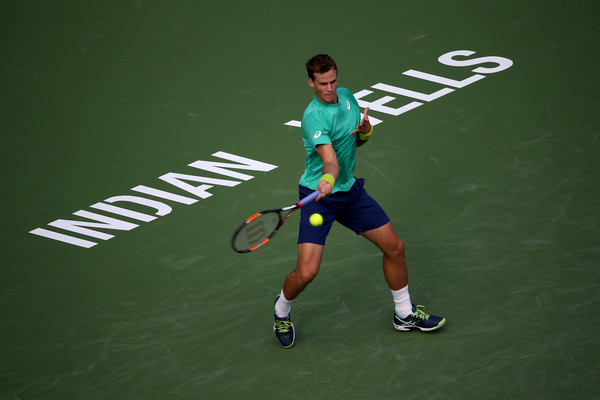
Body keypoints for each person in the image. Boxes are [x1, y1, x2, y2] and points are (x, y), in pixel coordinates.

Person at [273, 54, 445, 348]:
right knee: (307, 273)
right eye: (323, 83)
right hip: (319, 198)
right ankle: (281, 311)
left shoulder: (347, 97)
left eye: (333, 81)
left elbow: (357, 142)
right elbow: (330, 161)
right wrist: (327, 181)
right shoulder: (313, 117)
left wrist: (367, 131)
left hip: (350, 193)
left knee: (395, 247)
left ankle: (403, 314)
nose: (329, 88)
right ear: (311, 83)